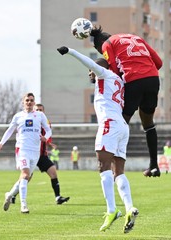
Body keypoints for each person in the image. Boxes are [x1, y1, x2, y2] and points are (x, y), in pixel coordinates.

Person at [57, 46, 138, 233]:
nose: (90, 74)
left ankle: (112, 210)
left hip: (109, 124)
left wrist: (70, 51)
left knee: (103, 167)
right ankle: (129, 207)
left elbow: (90, 63)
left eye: (91, 71)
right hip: (122, 127)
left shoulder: (105, 74)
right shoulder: (118, 80)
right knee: (118, 170)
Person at [90, 26, 163, 178]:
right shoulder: (135, 37)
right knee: (148, 123)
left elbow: (115, 72)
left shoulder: (107, 44)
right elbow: (159, 62)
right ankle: (154, 166)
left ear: (99, 45)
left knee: (121, 122)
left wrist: (99, 74)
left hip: (133, 80)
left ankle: (114, 168)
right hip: (153, 79)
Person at [0, 92, 52, 214]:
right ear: (23, 102)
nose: (29, 102)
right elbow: (9, 131)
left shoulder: (40, 115)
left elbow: (49, 130)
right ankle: (23, 205)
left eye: (31, 100)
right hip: (22, 149)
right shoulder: (18, 116)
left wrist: (45, 137)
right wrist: (1, 143)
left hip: (35, 151)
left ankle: (9, 195)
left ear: (34, 102)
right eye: (27, 100)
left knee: (26, 178)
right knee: (25, 174)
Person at [10, 103, 70, 205]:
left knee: (53, 172)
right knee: (26, 177)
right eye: (37, 109)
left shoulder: (46, 122)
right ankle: (12, 195)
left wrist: (49, 143)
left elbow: (46, 136)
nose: (39, 111)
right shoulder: (29, 121)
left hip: (41, 155)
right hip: (30, 153)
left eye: (41, 110)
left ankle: (58, 197)